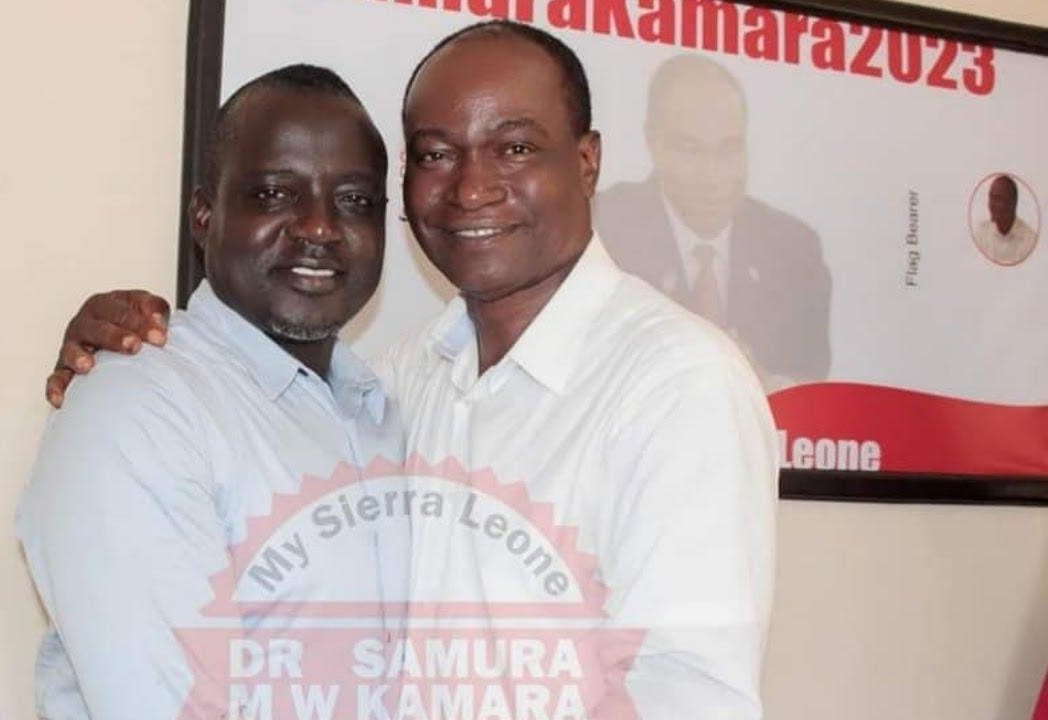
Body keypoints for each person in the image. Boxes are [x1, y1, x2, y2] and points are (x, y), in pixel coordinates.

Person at [45, 21, 777, 719]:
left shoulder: (677, 383)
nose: (471, 187)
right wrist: (130, 353)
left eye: (515, 147)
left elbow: (684, 694)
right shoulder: (397, 384)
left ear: (586, 163)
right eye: (435, 154)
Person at [17, 64, 407, 719]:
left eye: (355, 201)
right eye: (275, 193)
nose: (319, 227)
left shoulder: (386, 411)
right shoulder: (139, 406)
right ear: (204, 216)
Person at [593, 54, 831, 389]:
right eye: (690, 150)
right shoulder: (600, 227)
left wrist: (764, 386)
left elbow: (812, 387)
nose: (713, 176)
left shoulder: (794, 249)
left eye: (730, 149)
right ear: (652, 143)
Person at [973, 174, 1037, 265]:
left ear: (1012, 203)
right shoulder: (981, 234)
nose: (991, 205)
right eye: (991, 197)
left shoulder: (1030, 241)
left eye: (997, 199)